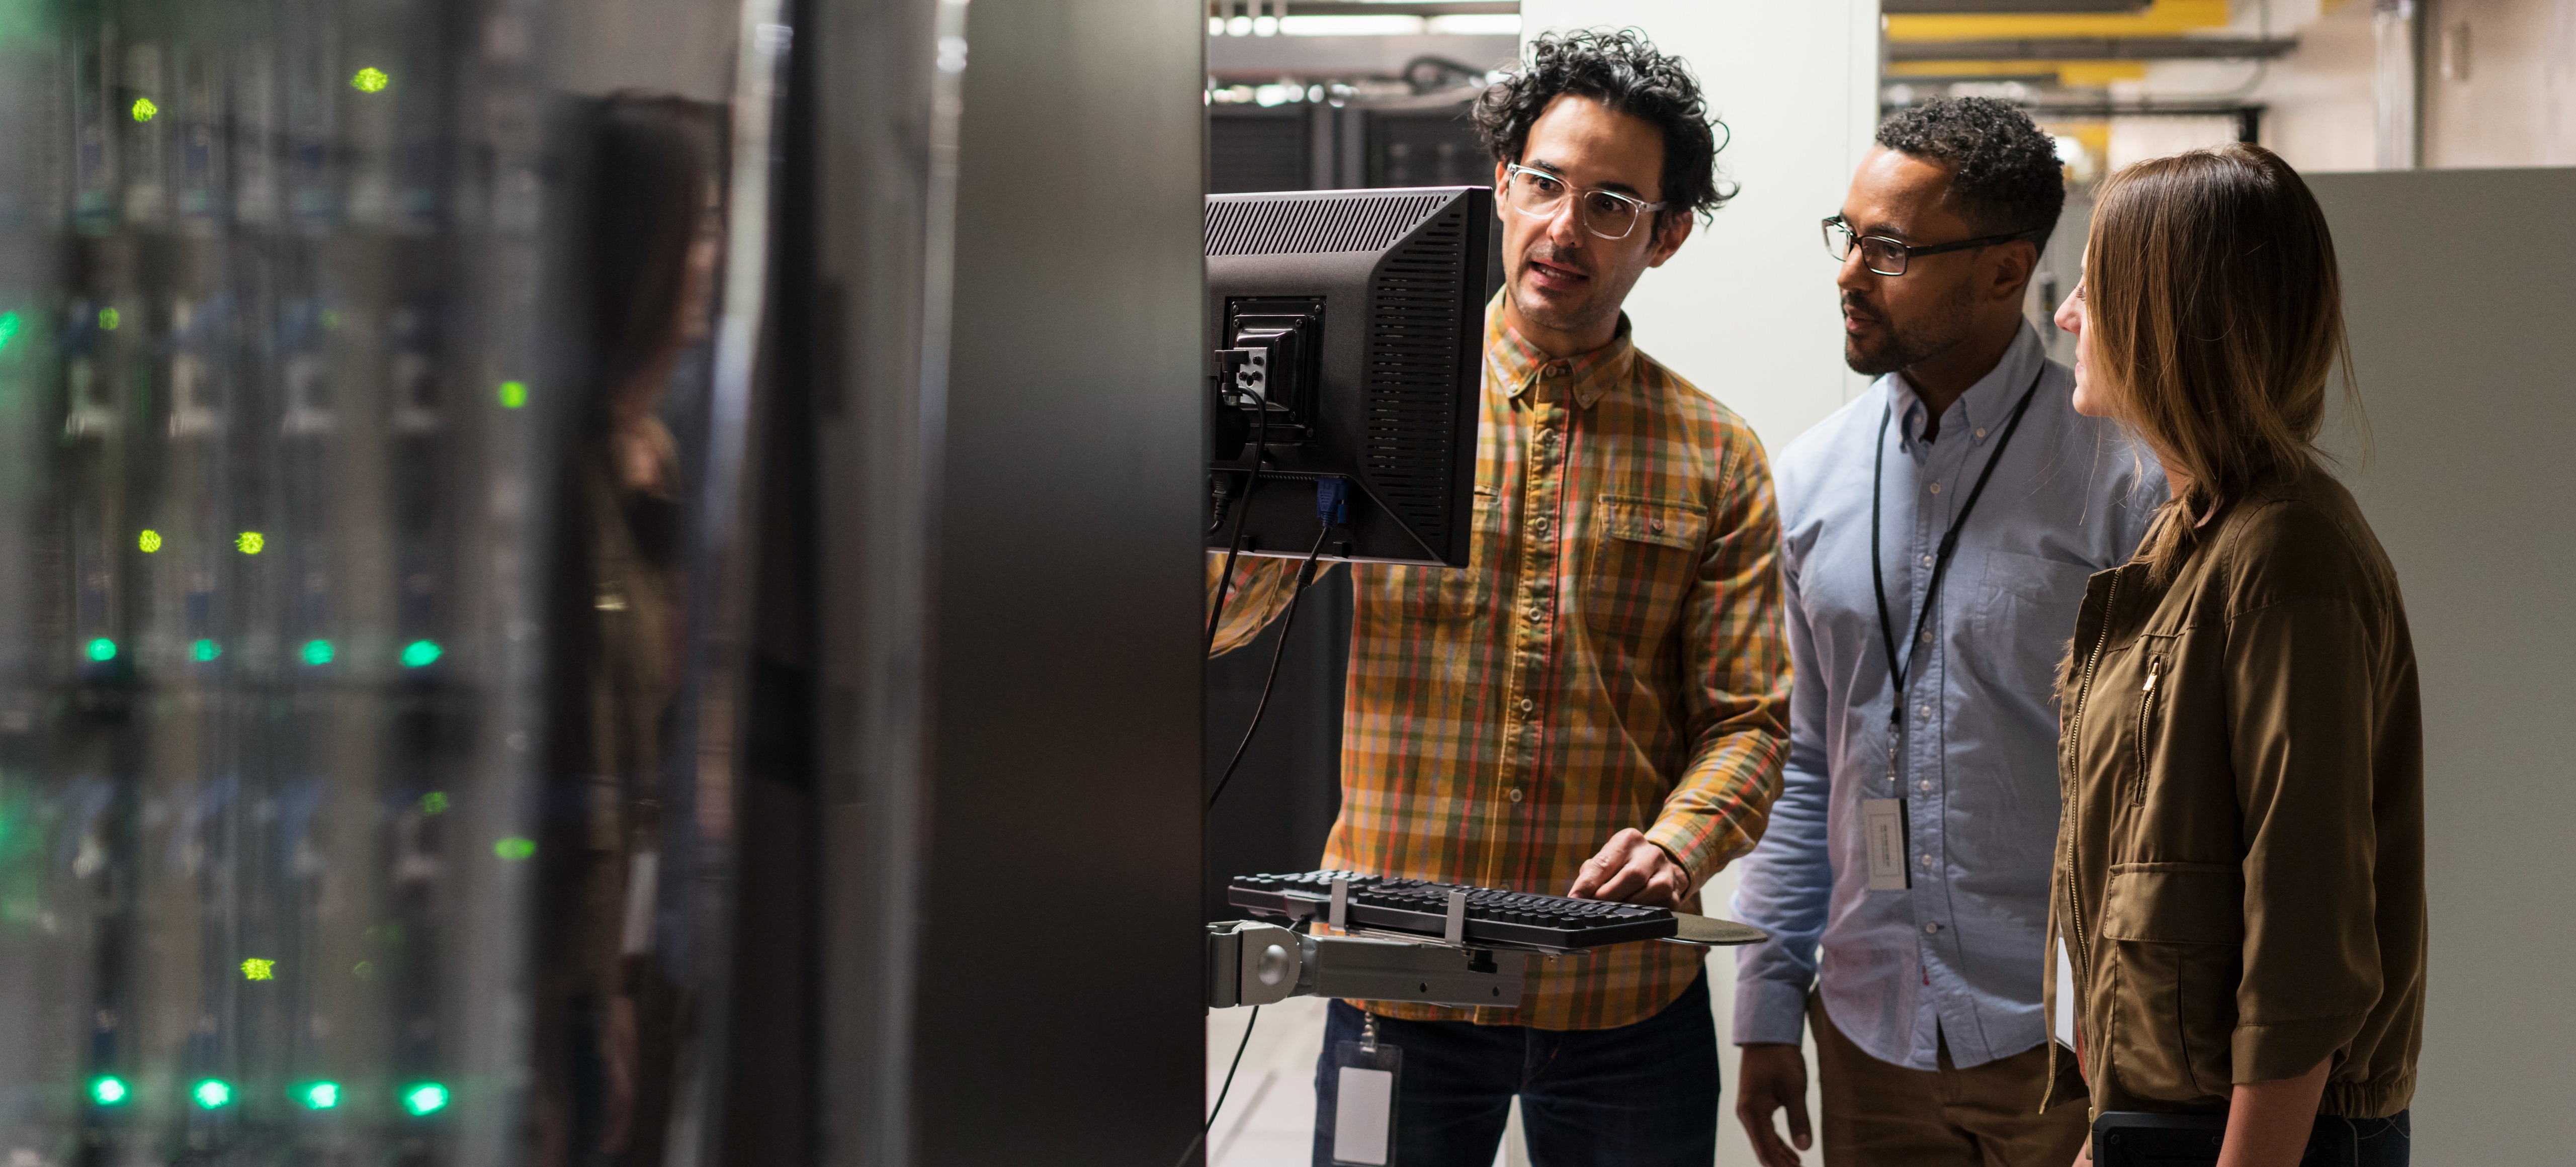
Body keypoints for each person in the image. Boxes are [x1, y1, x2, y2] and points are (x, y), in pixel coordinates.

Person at [1206, 30, 1790, 1166]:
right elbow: (1219, 624)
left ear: (1666, 236)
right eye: (1543, 183)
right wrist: (1244, 471)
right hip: (1394, 971)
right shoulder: (1375, 401)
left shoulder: (1716, 453)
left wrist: (1678, 847)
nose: (1563, 226)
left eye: (1611, 204)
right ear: (1500, 185)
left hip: (1619, 993)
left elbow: (1749, 721)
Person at [1731, 98, 2166, 1167]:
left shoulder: (2124, 478)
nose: (1848, 275)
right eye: (1846, 238)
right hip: (1869, 1035)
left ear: (2005, 270)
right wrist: (1767, 1002)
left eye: (1888, 251)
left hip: (2064, 1040)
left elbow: (2162, 788)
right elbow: (1807, 759)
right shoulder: (1811, 478)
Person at [2048, 143, 2422, 1166]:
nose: (2067, 316)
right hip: (2161, 1122)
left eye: (2092, 289)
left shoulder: (2285, 554)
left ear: (2167, 319)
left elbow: (2305, 937)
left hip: (2254, 1138)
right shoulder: (2191, 541)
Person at [532, 92, 726, 1167]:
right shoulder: (561, 473)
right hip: (555, 961)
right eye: (696, 230)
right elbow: (575, 764)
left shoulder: (650, 456)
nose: (711, 258)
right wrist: (591, 989)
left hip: (630, 935)